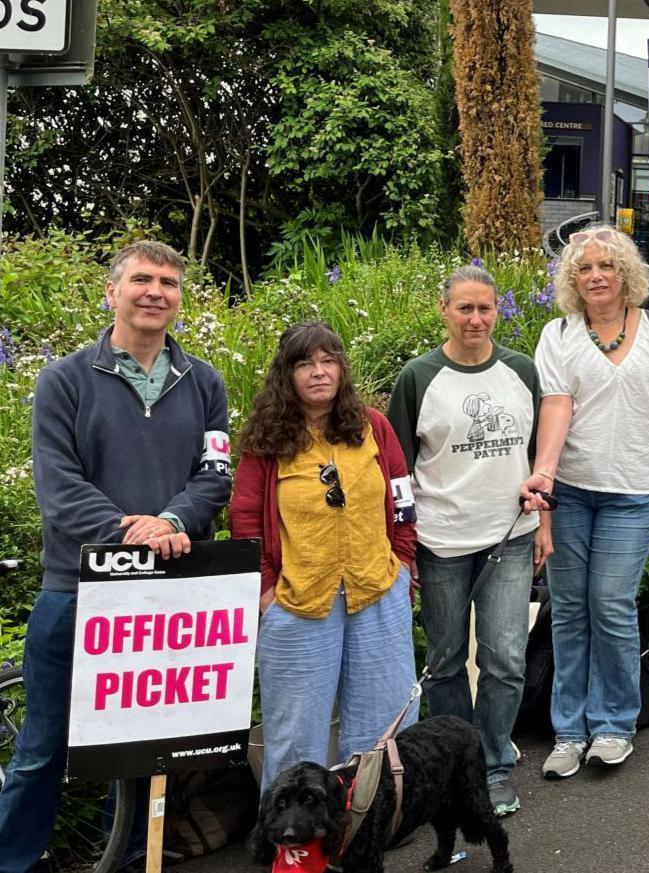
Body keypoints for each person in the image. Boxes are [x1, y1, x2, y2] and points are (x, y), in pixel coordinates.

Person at [0, 241, 231, 872]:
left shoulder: (205, 382)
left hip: (166, 594)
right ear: (113, 292)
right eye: (142, 280)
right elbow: (58, 483)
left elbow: (214, 476)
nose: (156, 291)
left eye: (169, 282)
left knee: (139, 748)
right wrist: (132, 531)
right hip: (76, 591)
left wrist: (173, 521)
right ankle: (13, 860)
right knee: (42, 748)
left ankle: (126, 857)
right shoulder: (63, 380)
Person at [522, 225, 649, 778]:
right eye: (584, 269)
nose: (595, 276)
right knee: (569, 610)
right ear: (573, 280)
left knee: (611, 604)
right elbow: (555, 406)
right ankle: (569, 731)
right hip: (570, 492)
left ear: (626, 273)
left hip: (634, 493)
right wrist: (544, 478)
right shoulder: (559, 335)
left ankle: (615, 723)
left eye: (606, 266)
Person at [232, 320, 419, 790]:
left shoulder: (372, 425)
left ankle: (370, 824)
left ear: (341, 368)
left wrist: (403, 566)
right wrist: (265, 589)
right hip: (298, 603)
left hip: (377, 589)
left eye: (327, 360)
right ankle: (296, 843)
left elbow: (402, 499)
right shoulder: (267, 439)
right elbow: (245, 517)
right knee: (296, 734)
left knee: (383, 724)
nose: (318, 372)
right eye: (304, 363)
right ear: (286, 374)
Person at [386, 266, 539, 815]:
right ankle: (457, 767)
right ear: (443, 309)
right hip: (442, 542)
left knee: (506, 660)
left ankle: (494, 764)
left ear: (499, 310)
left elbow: (542, 456)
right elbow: (397, 471)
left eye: (486, 308)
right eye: (464, 308)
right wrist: (403, 548)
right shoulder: (419, 377)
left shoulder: (522, 371)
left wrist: (546, 521)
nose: (475, 319)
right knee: (446, 662)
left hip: (511, 538)